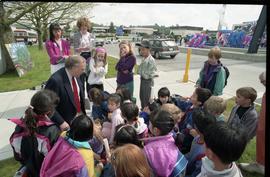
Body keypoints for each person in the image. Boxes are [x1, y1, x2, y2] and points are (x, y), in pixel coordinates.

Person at [9, 90, 61, 177]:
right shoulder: (52, 131)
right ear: (48, 112)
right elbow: (56, 160)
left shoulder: (19, 126)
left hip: (29, 171)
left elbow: (18, 157)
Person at [45, 55, 86, 131]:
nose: (84, 72)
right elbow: (47, 105)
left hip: (79, 117)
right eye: (82, 69)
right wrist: (61, 122)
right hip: (65, 123)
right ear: (74, 68)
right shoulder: (55, 80)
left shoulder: (78, 75)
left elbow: (80, 96)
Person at [143, 110, 188, 177]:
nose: (148, 125)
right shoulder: (173, 137)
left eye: (149, 124)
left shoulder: (148, 149)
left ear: (156, 130)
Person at [239, 71, 266, 175]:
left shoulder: (251, 114)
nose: (262, 83)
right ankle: (261, 163)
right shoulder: (237, 107)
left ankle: (261, 164)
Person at [175, 87, 212, 153]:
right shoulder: (191, 104)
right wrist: (181, 99)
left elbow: (188, 130)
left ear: (199, 102)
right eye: (192, 94)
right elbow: (181, 105)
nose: (191, 96)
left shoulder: (196, 116)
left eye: (194, 96)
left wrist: (178, 134)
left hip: (185, 140)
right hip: (181, 130)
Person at [184, 108, 216, 177]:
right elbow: (190, 154)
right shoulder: (197, 138)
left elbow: (196, 174)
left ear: (195, 127)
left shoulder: (204, 154)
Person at [73, 17, 95, 89]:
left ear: (87, 26)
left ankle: (90, 97)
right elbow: (75, 49)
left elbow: (93, 48)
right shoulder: (76, 35)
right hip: (80, 57)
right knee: (81, 78)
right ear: (79, 26)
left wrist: (92, 49)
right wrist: (82, 48)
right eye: (82, 25)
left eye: (85, 25)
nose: (84, 27)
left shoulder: (91, 35)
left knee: (89, 78)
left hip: (89, 57)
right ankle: (82, 97)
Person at [137, 40, 158, 109]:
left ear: (149, 49)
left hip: (147, 82)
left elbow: (149, 74)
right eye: (140, 50)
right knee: (142, 96)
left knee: (146, 98)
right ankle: (143, 109)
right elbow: (139, 70)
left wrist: (141, 72)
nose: (141, 51)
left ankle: (146, 111)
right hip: (142, 80)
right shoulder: (144, 58)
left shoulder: (151, 60)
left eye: (143, 49)